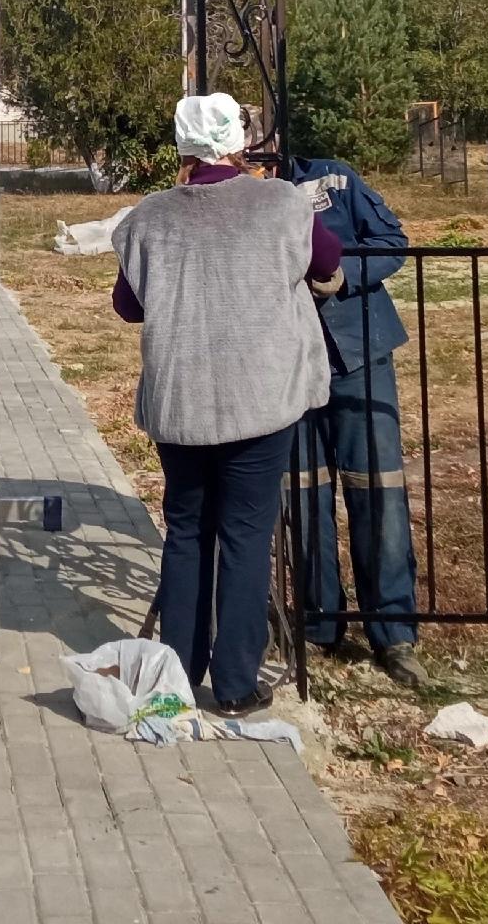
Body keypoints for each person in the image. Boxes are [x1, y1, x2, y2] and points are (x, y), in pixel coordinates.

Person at [113, 93, 340, 713]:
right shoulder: (281, 203)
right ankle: (237, 685)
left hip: (180, 399)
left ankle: (179, 674)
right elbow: (327, 259)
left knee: (186, 530)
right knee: (246, 532)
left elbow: (128, 306)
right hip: (259, 396)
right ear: (238, 141)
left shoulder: (146, 219)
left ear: (182, 144)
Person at [284, 155, 429, 691]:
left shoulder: (333, 177)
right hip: (288, 363)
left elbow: (392, 241)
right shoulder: (241, 194)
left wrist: (345, 275)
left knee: (379, 491)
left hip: (358, 355)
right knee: (303, 492)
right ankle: (319, 622)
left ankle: (393, 631)